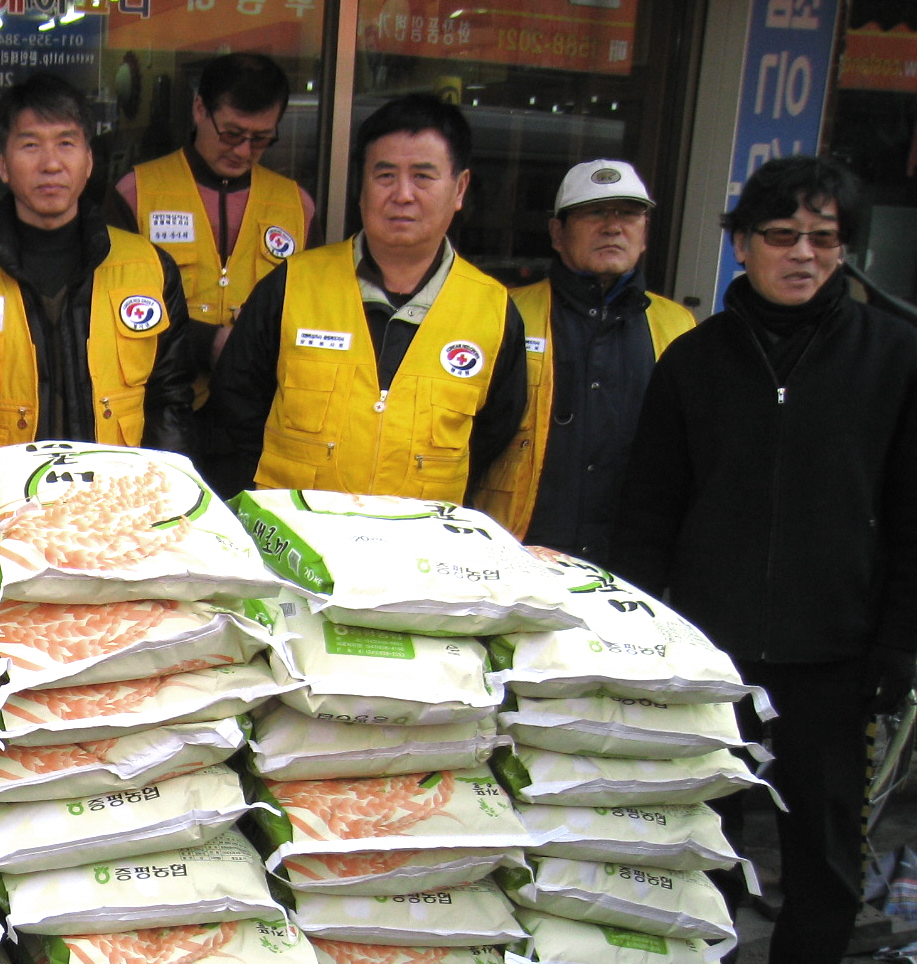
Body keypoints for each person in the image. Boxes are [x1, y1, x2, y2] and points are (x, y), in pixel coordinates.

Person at [611, 155, 917, 964]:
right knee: (699, 846)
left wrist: (897, 643)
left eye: (825, 237)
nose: (804, 254)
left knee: (824, 860)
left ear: (846, 250)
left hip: (835, 655)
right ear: (742, 244)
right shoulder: (694, 361)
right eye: (782, 236)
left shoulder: (895, 358)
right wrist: (642, 636)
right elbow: (649, 515)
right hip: (711, 659)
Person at [199, 93, 526, 501]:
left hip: (419, 551)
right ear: (361, 187)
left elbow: (493, 433)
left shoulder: (492, 311)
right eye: (385, 175)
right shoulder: (293, 286)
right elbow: (234, 412)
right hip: (295, 544)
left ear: (459, 188)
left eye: (423, 176)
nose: (403, 194)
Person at [0, 73, 196, 454]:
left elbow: (170, 401)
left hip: (113, 498)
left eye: (66, 143)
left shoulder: (150, 268)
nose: (51, 164)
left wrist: (162, 495)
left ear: (88, 161)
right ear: (4, 165)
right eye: (30, 145)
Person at [467, 159, 694, 561]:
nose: (613, 226)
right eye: (595, 213)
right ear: (558, 233)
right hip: (515, 551)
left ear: (644, 233)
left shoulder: (678, 326)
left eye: (628, 214)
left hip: (629, 564)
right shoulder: (508, 313)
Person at [111, 53, 315, 369]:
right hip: (162, 397)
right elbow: (109, 306)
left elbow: (313, 311)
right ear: (200, 109)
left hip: (258, 404)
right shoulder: (136, 193)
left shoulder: (298, 206)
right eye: (231, 134)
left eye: (261, 138)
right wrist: (211, 343)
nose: (243, 151)